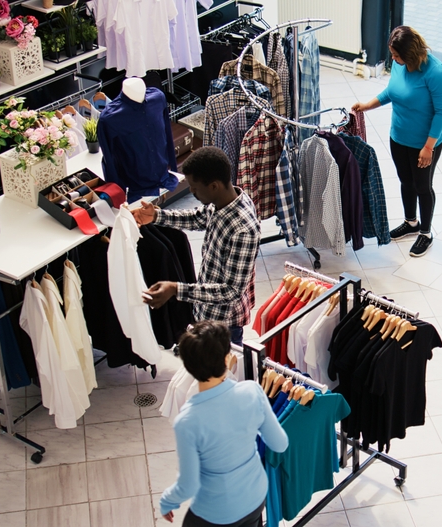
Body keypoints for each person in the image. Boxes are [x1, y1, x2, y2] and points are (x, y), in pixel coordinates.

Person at [158, 321, 289, 526]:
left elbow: (188, 484)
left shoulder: (186, 421)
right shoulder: (252, 392)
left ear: (188, 367)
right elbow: (280, 444)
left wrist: (167, 502)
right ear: (227, 358)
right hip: (254, 497)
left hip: (215, 512)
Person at [133, 147, 260, 346]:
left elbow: (231, 291)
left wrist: (176, 289)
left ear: (214, 186)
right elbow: (197, 218)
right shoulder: (222, 202)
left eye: (194, 187)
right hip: (206, 311)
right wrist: (157, 216)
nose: (191, 192)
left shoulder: (243, 230)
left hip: (224, 325)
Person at [351, 25, 442, 257]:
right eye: (393, 55)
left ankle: (425, 233)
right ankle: (411, 223)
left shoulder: (437, 73)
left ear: (410, 53)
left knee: (422, 186)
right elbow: (391, 92)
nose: (393, 59)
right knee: (406, 181)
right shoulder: (399, 64)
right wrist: (367, 105)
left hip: (425, 143)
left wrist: (428, 147)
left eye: (397, 55)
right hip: (399, 136)